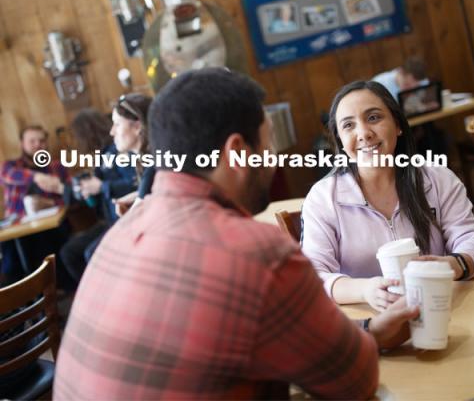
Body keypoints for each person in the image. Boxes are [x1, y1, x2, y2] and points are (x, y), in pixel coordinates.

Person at [54, 68, 418, 400]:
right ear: (239, 153)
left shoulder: (121, 231)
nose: (272, 158)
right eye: (267, 144)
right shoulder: (257, 252)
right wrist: (370, 337)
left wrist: (367, 329)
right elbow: (354, 382)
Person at [302, 80, 474, 311]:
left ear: (398, 125)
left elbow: (472, 239)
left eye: (374, 117)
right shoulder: (323, 198)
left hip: (440, 310)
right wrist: (365, 290)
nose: (364, 133)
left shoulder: (438, 179)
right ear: (340, 142)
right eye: (348, 125)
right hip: (367, 327)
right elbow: (314, 276)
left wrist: (455, 264)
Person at [59, 108, 137, 283]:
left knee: (85, 253)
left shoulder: (116, 153)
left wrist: (102, 186)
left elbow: (134, 183)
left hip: (123, 220)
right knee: (69, 252)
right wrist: (87, 189)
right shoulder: (103, 155)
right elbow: (95, 200)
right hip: (110, 221)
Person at [82, 93, 153, 261]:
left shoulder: (152, 163)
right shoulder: (144, 160)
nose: (112, 132)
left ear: (137, 127)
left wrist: (138, 200)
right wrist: (137, 196)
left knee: (94, 255)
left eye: (117, 124)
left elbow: (137, 214)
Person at [0, 126, 70, 283]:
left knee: (53, 247)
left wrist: (48, 203)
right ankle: (19, 299)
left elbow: (70, 196)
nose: (37, 144)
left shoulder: (57, 167)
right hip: (16, 228)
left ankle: (49, 292)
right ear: (22, 143)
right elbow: (6, 175)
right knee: (11, 261)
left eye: (41, 141)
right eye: (32, 141)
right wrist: (37, 177)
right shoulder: (10, 167)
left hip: (48, 227)